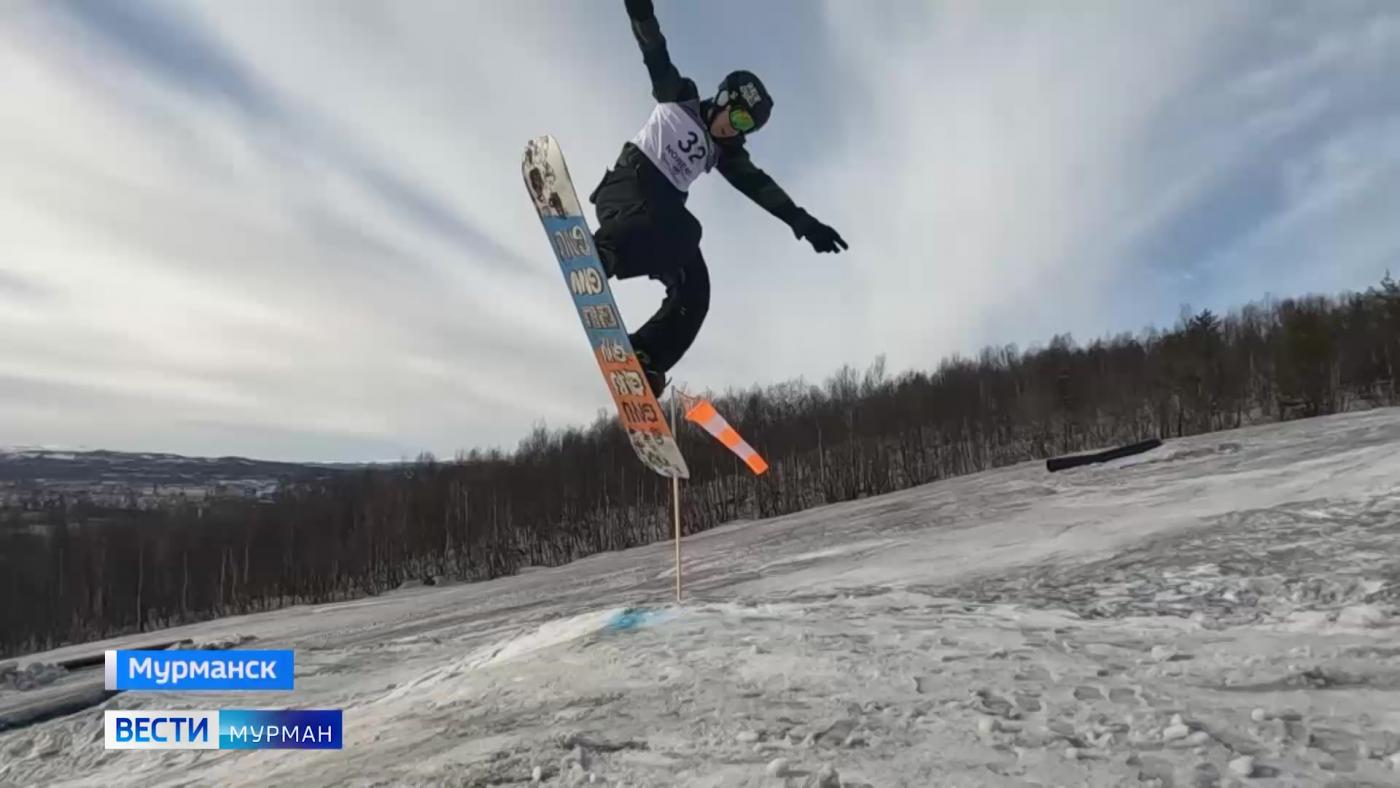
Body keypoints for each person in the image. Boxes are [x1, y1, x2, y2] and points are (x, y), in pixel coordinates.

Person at [590, 0, 848, 398]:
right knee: (686, 227)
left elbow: (759, 186)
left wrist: (803, 222)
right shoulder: (679, 96)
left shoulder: (725, 152)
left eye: (746, 127)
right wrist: (641, 13)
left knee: (697, 285)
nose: (733, 129)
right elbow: (654, 50)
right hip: (628, 190)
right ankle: (602, 252)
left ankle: (643, 357)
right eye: (737, 117)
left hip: (660, 220)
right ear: (724, 98)